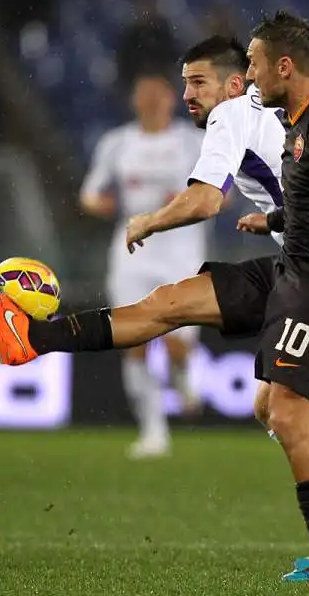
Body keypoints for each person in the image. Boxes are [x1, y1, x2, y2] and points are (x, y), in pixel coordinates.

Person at [0, 28, 309, 581]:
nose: (187, 96)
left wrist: (148, 220)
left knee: (293, 410)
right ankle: (33, 338)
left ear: (235, 81)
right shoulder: (285, 103)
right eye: (184, 84)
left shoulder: (233, 113)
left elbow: (205, 199)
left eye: (196, 82)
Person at [80, 73, 205, 458]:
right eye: (143, 94)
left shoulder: (192, 141)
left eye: (158, 94)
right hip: (132, 250)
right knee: (133, 340)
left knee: (175, 345)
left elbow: (223, 192)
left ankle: (182, 377)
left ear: (172, 99)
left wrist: (183, 203)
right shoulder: (117, 143)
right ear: (134, 100)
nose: (151, 101)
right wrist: (118, 208)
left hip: (181, 250)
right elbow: (89, 195)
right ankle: (154, 432)